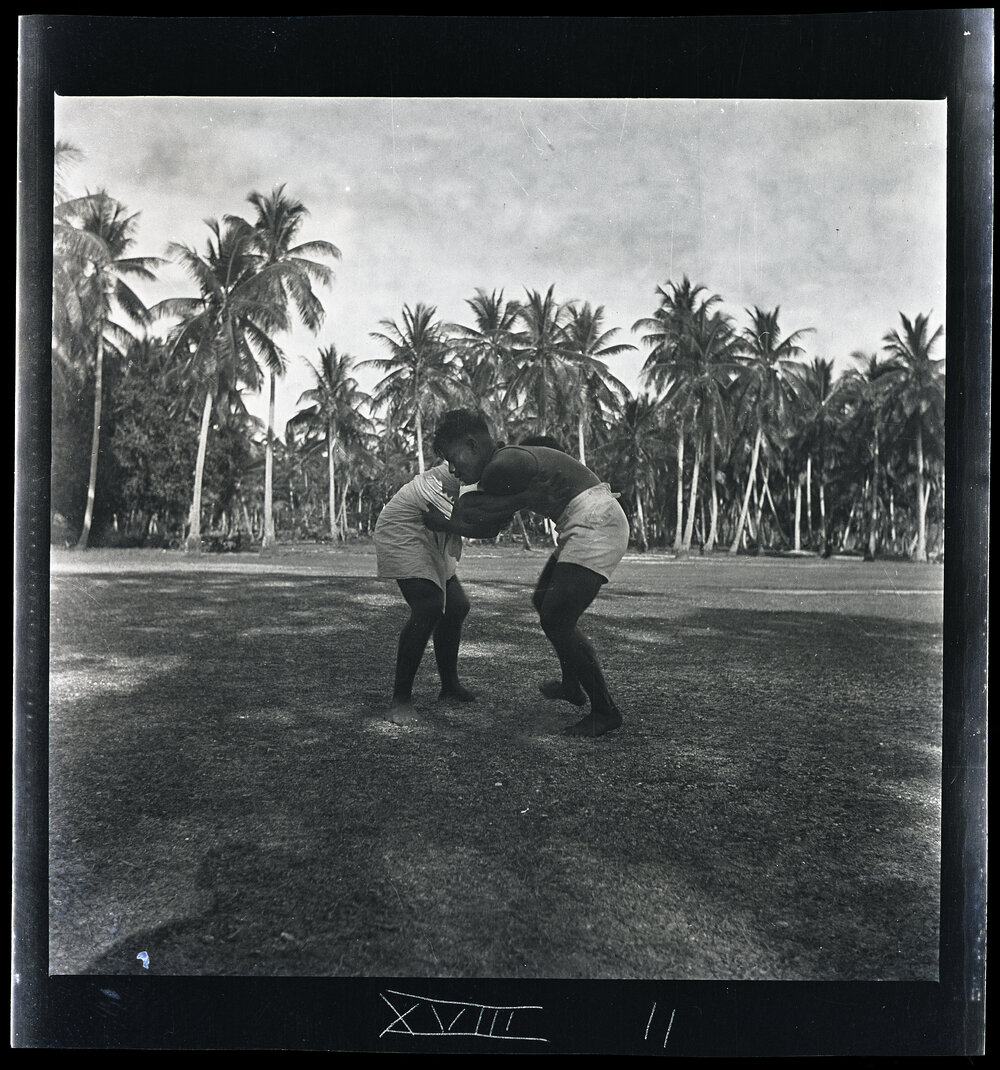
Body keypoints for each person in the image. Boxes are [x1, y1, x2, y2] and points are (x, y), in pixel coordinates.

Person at [422, 409, 630, 738]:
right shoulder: (504, 462)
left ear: (472, 445)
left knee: (557, 619)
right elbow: (488, 524)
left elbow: (472, 514)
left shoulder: (501, 466)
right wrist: (520, 499)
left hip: (595, 521)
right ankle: (571, 684)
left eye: (452, 458)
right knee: (544, 602)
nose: (452, 469)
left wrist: (450, 518)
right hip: (587, 519)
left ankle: (605, 710)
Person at [373, 458, 543, 725]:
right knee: (428, 607)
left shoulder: (497, 472)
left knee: (455, 606)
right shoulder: (476, 470)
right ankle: (400, 701)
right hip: (404, 526)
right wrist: (509, 508)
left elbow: (478, 522)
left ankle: (449, 687)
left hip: (436, 530)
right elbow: (476, 524)